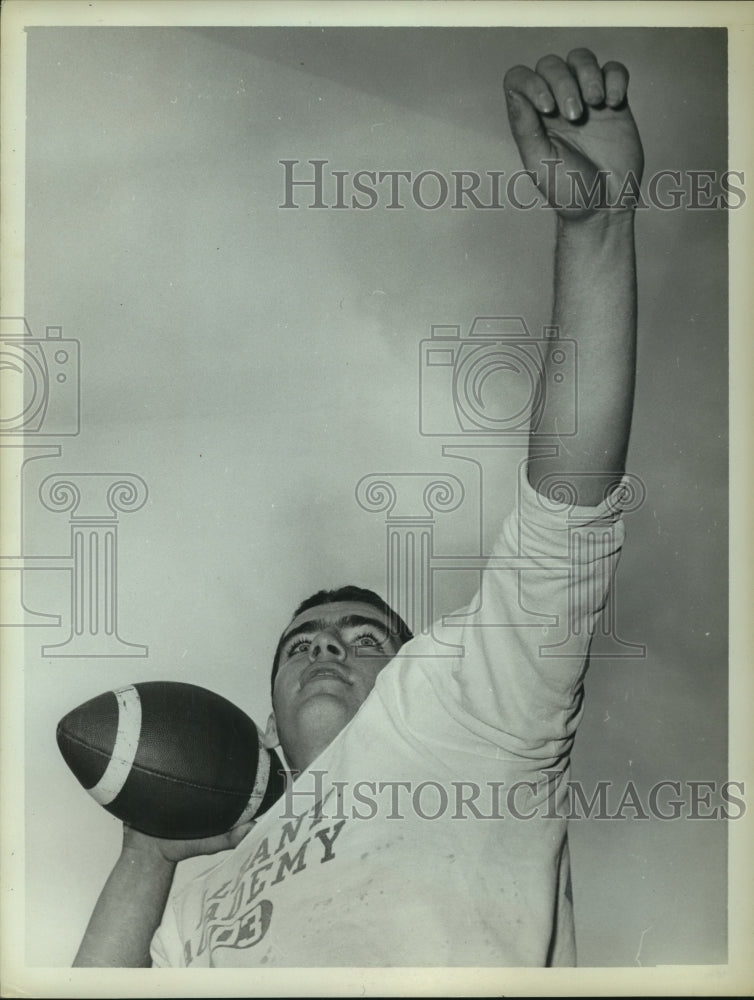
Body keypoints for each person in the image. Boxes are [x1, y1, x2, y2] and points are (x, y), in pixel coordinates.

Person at [73, 46, 643, 968]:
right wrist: (147, 854)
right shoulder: (205, 884)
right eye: (303, 645)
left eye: (364, 636)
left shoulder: (464, 713)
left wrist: (600, 229)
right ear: (261, 728)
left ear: (422, 663)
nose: (328, 645)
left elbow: (567, 508)